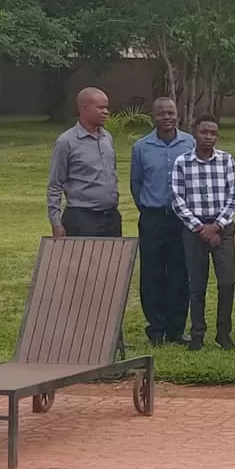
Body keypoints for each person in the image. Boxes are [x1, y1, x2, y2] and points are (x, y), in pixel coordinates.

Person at [171, 115, 235, 351]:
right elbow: (177, 199)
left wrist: (217, 226)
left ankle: (224, 333)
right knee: (197, 285)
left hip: (223, 230)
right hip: (195, 231)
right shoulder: (182, 162)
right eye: (204, 132)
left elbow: (234, 197)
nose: (209, 137)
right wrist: (200, 228)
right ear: (194, 133)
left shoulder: (226, 161)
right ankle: (198, 333)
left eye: (213, 133)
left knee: (227, 282)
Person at [130, 97, 195, 346]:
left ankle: (176, 329)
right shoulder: (141, 147)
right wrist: (148, 207)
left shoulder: (189, 143)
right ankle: (156, 330)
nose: (167, 117)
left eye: (171, 113)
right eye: (161, 114)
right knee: (152, 275)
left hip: (182, 218)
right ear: (153, 117)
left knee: (180, 273)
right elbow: (136, 184)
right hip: (153, 218)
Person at [47, 87, 121, 237]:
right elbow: (55, 184)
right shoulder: (66, 142)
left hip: (110, 217)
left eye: (106, 107)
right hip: (82, 218)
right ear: (84, 108)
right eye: (100, 107)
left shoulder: (107, 138)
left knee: (112, 260)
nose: (106, 112)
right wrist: (56, 223)